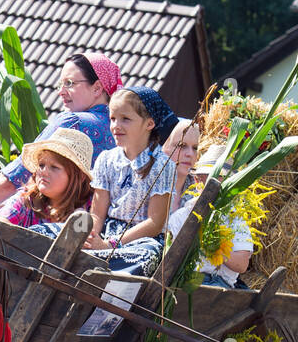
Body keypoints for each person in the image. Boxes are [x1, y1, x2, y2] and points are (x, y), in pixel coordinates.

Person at [0, 52, 122, 215]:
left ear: (97, 88)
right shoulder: (121, 130)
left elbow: (12, 179)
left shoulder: (72, 122)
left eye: (70, 83)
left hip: (49, 225)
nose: (61, 92)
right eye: (61, 84)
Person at [84, 85, 178, 276]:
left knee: (148, 256)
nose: (115, 125)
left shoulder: (163, 165)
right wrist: (91, 239)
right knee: (58, 232)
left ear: (149, 124)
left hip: (139, 239)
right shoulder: (106, 159)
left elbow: (154, 223)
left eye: (125, 119)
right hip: (106, 232)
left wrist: (111, 245)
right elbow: (97, 214)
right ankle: (93, 262)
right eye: (112, 118)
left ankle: (102, 273)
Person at [166, 144, 253, 289]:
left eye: (223, 185)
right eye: (208, 183)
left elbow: (242, 264)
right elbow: (170, 256)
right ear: (197, 181)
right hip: (185, 278)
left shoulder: (235, 221)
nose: (216, 191)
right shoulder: (182, 216)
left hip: (218, 282)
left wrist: (217, 248)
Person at [0, 128, 94, 234]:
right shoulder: (27, 200)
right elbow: (0, 227)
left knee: (80, 218)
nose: (43, 172)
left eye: (54, 167)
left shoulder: (91, 207)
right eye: (41, 165)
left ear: (80, 176)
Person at [162, 118, 201, 213]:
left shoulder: (199, 193)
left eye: (195, 148)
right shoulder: (148, 183)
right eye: (182, 145)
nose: (190, 154)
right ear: (165, 147)